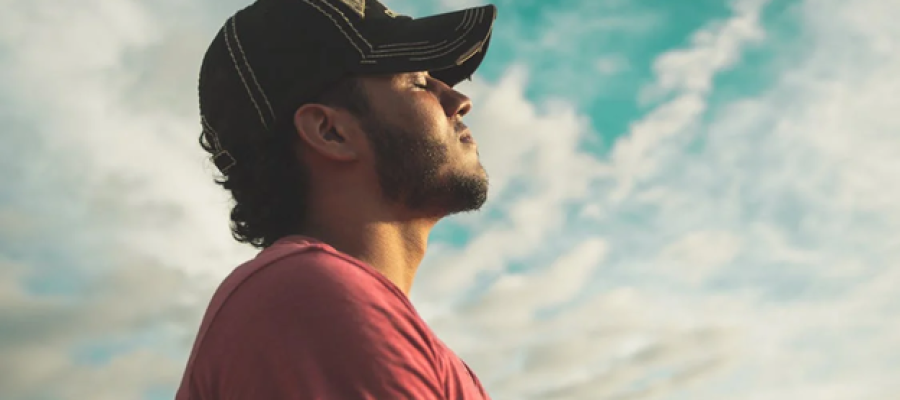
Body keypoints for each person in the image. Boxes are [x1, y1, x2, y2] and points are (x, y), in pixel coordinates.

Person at [175, 0, 498, 398]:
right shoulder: (310, 300)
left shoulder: (333, 307)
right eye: (417, 82)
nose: (457, 100)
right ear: (330, 132)